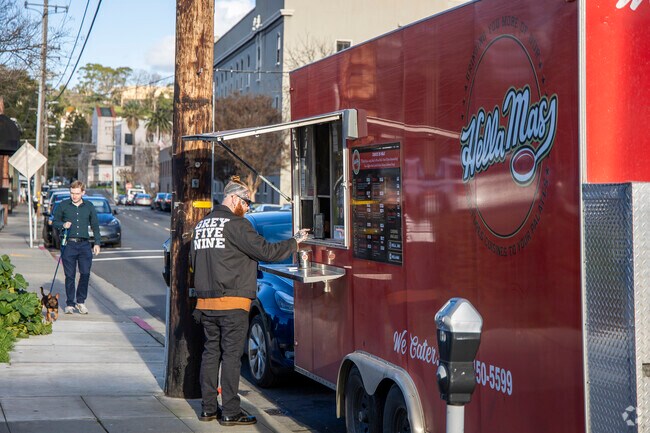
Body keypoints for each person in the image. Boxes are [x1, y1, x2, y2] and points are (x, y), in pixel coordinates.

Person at [190, 176, 309, 426]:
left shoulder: (201, 226)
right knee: (232, 358)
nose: (247, 207)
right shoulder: (237, 225)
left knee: (211, 354)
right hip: (232, 303)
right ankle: (231, 411)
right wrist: (294, 242)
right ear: (233, 198)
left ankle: (208, 408)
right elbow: (266, 252)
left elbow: (194, 263)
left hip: (205, 304)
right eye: (245, 202)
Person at [53, 180, 101, 314]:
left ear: (83, 192)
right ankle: (69, 303)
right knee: (70, 275)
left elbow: (95, 225)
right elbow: (54, 221)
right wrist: (63, 225)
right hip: (69, 245)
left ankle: (80, 301)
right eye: (72, 193)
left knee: (85, 274)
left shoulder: (89, 206)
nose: (74, 196)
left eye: (77, 193)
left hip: (85, 245)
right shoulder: (63, 205)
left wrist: (97, 243)